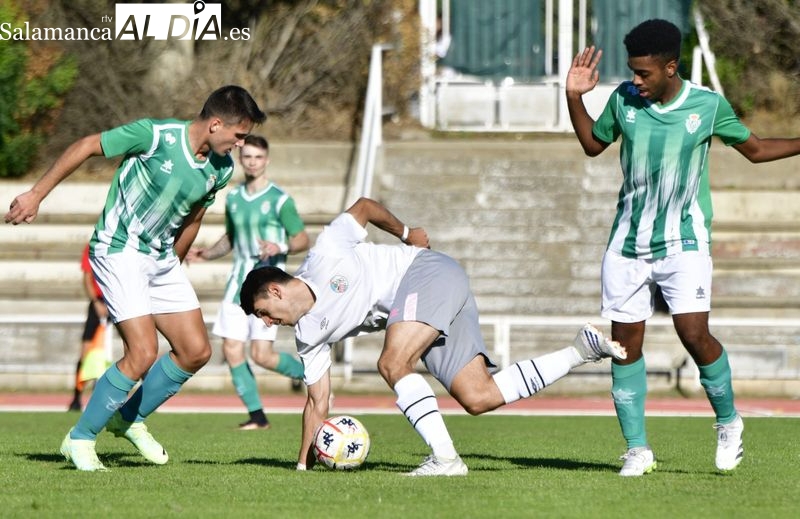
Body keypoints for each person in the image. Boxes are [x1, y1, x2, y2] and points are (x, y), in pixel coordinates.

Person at [238, 197, 627, 476]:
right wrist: (303, 466)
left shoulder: (325, 253)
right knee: (478, 396)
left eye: (264, 314)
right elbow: (317, 402)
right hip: (432, 301)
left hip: (425, 271)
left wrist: (407, 233)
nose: (268, 324)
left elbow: (365, 208)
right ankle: (579, 351)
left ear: (275, 291)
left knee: (392, 363)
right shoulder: (308, 336)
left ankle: (445, 459)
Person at [565, 19, 800, 476]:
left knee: (693, 335)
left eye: (644, 73)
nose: (635, 80)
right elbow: (594, 144)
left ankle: (729, 422)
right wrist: (575, 97)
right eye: (632, 71)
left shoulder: (707, 106)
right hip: (627, 244)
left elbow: (754, 149)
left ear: (670, 67)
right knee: (623, 348)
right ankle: (637, 449)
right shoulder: (624, 100)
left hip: (684, 242)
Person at [4, 84, 266, 471]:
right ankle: (79, 438)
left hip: (160, 258)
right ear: (215, 124)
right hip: (118, 248)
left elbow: (193, 217)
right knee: (141, 353)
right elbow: (87, 145)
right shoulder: (155, 135)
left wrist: (171, 266)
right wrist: (36, 194)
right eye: (238, 135)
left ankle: (127, 418)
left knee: (196, 351)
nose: (242, 145)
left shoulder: (221, 169)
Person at [186, 134, 309, 430]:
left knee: (262, 356)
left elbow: (302, 239)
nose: (252, 162)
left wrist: (279, 247)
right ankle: (258, 417)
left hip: (268, 290)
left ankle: (308, 376)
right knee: (231, 349)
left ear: (266, 160)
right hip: (236, 288)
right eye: (248, 156)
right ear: (241, 159)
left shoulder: (280, 200)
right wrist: (206, 253)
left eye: (258, 157)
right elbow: (230, 238)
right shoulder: (235, 198)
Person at [68, 243, 109, 412]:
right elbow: (87, 277)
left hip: (120, 300)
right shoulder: (93, 246)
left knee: (137, 347)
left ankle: (145, 397)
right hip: (98, 302)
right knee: (86, 351)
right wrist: (96, 302)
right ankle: (77, 397)